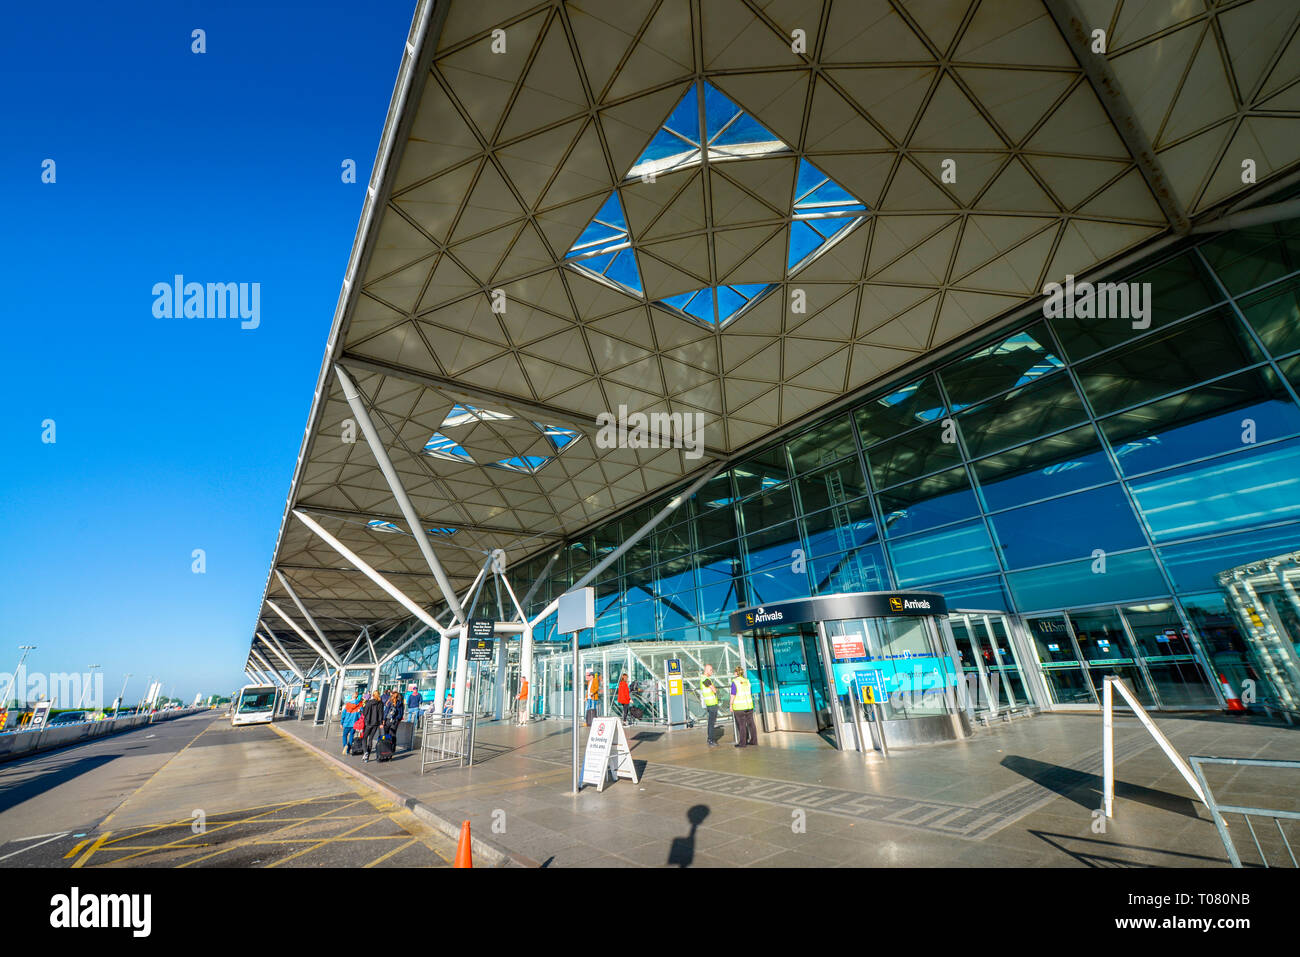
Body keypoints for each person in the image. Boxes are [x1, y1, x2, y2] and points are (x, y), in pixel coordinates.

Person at [730, 666, 757, 748]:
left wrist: (731, 705)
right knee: (751, 724)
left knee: (741, 725)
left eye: (734, 672)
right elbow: (750, 692)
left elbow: (733, 695)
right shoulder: (747, 681)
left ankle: (743, 743)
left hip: (739, 707)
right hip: (749, 706)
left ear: (736, 673)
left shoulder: (735, 682)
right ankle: (753, 741)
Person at [700, 664, 720, 747]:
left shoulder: (705, 679)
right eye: (711, 670)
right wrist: (714, 689)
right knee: (711, 723)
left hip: (711, 703)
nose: (712, 671)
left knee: (711, 722)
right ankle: (710, 740)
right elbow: (714, 690)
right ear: (706, 670)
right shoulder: (705, 679)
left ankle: (710, 739)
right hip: (711, 704)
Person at [361, 691, 383, 762]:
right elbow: (381, 714)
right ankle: (367, 757)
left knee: (364, 738)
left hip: (368, 723)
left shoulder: (369, 702)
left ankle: (365, 752)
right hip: (376, 723)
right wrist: (380, 723)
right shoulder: (380, 703)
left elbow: (364, 713)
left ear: (373, 695)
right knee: (371, 739)